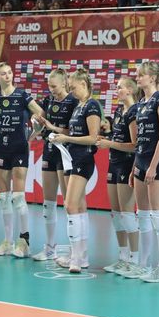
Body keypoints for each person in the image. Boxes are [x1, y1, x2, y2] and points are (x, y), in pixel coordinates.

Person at [0, 62, 44, 258]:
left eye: (9, 72)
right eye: (3, 73)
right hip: (1, 149)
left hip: (19, 149)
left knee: (18, 197)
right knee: (3, 198)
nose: (8, 76)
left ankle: (24, 241)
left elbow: (40, 114)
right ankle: (7, 242)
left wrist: (32, 134)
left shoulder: (22, 95)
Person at [123, 61, 159, 283]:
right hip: (140, 162)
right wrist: (135, 167)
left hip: (156, 162)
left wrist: (153, 165)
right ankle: (143, 265)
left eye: (141, 75)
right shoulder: (141, 103)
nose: (137, 78)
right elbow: (140, 139)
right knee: (142, 215)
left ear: (152, 77)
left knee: (157, 215)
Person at [50, 69, 101, 273]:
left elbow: (93, 137)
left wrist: (67, 139)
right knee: (78, 206)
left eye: (73, 87)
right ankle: (80, 255)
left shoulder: (92, 105)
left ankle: (77, 258)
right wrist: (58, 135)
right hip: (72, 158)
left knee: (70, 205)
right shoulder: (79, 106)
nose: (71, 91)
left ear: (83, 84)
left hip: (83, 159)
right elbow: (72, 132)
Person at [30, 68, 78, 261]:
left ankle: (75, 251)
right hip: (49, 150)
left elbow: (73, 130)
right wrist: (36, 122)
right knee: (48, 203)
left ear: (64, 83)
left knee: (68, 203)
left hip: (65, 152)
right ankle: (50, 248)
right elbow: (40, 122)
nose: (51, 89)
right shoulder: (48, 100)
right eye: (49, 86)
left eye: (54, 86)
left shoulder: (73, 101)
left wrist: (52, 127)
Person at [96, 77, 139, 275]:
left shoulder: (134, 112)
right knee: (116, 213)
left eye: (120, 87)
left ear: (130, 90)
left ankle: (135, 260)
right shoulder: (119, 110)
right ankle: (122, 257)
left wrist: (110, 144)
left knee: (127, 214)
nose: (117, 90)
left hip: (127, 164)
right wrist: (107, 138)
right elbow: (118, 137)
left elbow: (135, 145)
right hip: (114, 163)